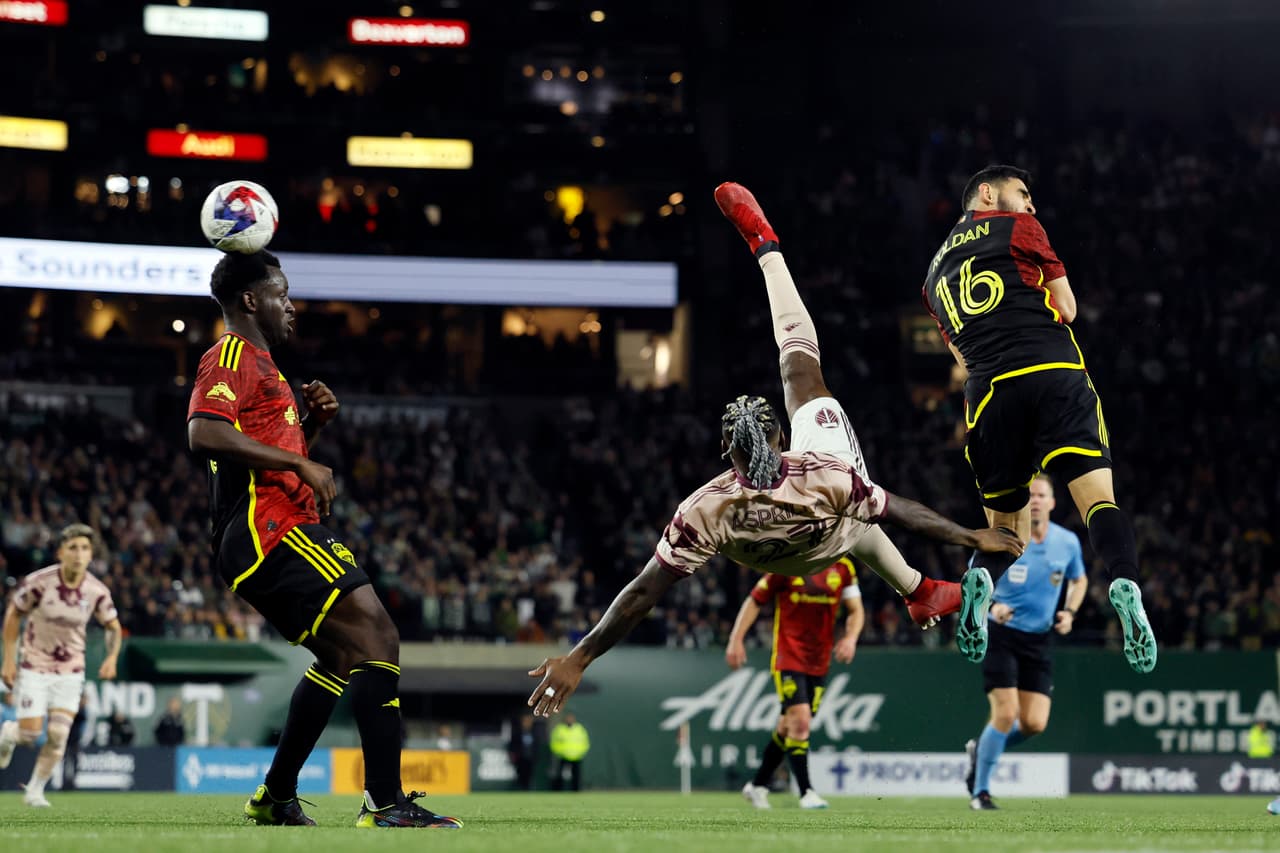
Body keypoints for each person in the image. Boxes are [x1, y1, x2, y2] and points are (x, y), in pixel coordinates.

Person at [526, 183, 1023, 717]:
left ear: (724, 450)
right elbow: (900, 510)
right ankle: (766, 249)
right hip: (832, 526)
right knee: (803, 377)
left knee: (851, 502)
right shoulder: (824, 473)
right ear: (780, 438)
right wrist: (975, 536)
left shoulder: (704, 508)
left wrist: (579, 657)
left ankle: (918, 588)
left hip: (787, 557)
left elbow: (643, 594)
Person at [186, 250, 460, 829]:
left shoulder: (267, 368)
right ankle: (386, 803)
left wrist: (312, 431)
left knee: (339, 657)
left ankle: (275, 797)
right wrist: (304, 464)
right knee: (378, 635)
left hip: (268, 529)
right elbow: (204, 433)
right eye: (282, 294)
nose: (292, 306)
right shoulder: (233, 353)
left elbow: (257, 459)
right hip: (270, 531)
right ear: (251, 301)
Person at [921, 165, 1157, 673]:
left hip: (987, 398)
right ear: (987, 193)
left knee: (1008, 535)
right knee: (1099, 503)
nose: (1031, 204)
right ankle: (1123, 579)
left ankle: (981, 581)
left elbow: (959, 358)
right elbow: (1067, 307)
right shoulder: (1020, 228)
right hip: (1052, 372)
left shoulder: (932, 276)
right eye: (1022, 193)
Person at [961, 474, 1086, 810]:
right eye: (1029, 495)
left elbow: (1080, 579)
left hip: (1039, 639)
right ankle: (980, 792)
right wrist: (992, 605)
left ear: (1053, 502)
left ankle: (980, 749)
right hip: (1000, 634)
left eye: (1041, 495)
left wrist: (1070, 612)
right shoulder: (1004, 537)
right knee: (1006, 712)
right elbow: (976, 582)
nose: (1035, 500)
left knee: (1033, 723)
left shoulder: (1067, 542)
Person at [0, 523, 122, 807]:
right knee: (30, 734)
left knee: (58, 735)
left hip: (71, 670)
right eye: (73, 548)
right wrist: (9, 659)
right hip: (34, 665)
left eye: (84, 549)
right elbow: (13, 614)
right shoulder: (39, 583)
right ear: (60, 553)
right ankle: (8, 733)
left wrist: (112, 657)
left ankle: (35, 790)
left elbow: (113, 627)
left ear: (91, 555)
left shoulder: (96, 591)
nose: (79, 554)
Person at [727, 555, 864, 810]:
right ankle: (807, 792)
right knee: (801, 722)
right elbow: (755, 599)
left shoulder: (843, 567)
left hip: (820, 660)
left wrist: (851, 638)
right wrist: (736, 638)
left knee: (787, 726)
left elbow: (856, 609)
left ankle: (757, 786)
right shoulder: (789, 563)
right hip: (788, 657)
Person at [548, 712, 590, 792]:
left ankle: (576, 791)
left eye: (571, 718)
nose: (570, 720)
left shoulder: (579, 729)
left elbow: (585, 742)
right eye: (568, 718)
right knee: (559, 775)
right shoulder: (560, 729)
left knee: (576, 776)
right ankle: (557, 791)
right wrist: (559, 752)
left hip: (576, 757)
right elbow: (554, 742)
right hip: (563, 756)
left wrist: (581, 752)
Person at [509, 714, 538, 791]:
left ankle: (527, 791)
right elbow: (512, 745)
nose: (527, 723)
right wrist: (514, 755)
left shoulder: (535, 732)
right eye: (525, 721)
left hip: (530, 758)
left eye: (529, 721)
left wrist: (535, 756)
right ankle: (519, 791)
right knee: (520, 776)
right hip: (520, 758)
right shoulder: (517, 732)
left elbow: (536, 746)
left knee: (529, 776)